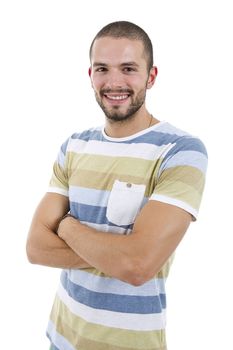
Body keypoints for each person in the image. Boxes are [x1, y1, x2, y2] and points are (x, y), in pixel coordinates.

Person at [26, 21, 208, 350]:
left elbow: (138, 267)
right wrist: (117, 255)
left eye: (128, 68)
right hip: (61, 339)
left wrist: (65, 226)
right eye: (102, 69)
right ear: (90, 75)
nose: (114, 82)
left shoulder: (181, 151)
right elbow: (36, 249)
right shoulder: (74, 145)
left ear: (151, 76)